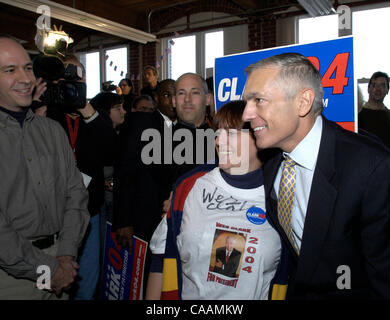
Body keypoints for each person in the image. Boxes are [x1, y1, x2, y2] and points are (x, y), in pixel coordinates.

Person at [242, 52, 390, 299]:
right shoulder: (271, 161)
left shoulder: (371, 168)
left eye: (258, 100)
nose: (246, 114)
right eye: (247, 101)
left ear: (303, 102)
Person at [146, 100, 287, 300]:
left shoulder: (282, 197)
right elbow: (160, 258)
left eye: (230, 133)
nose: (219, 142)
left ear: (259, 136)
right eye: (217, 133)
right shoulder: (189, 186)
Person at [0, 35, 89, 299]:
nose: (25, 79)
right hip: (11, 277)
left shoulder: (51, 131)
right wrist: (49, 269)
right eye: (10, 70)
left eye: (27, 68)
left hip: (63, 261)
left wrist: (65, 255)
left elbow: (75, 194)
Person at [46, 54, 118, 300]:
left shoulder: (95, 116)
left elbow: (111, 151)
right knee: (53, 282)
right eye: (68, 75)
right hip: (53, 216)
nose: (74, 80)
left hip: (89, 212)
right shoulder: (49, 114)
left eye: (80, 75)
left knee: (87, 280)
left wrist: (87, 110)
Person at [358, 71, 390, 148]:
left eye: (382, 85)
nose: (378, 89)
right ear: (368, 89)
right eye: (374, 85)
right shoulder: (358, 115)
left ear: (387, 90)